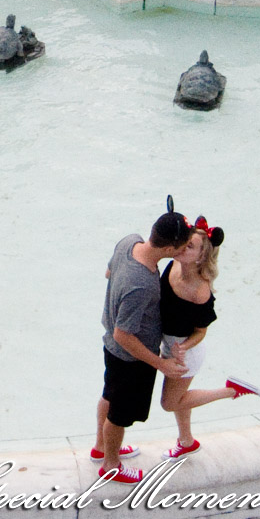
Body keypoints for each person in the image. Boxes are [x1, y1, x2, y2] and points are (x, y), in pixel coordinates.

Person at [92, 197, 195, 485]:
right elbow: (123, 334)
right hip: (130, 357)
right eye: (183, 246)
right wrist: (160, 363)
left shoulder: (129, 242)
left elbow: (109, 272)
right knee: (120, 415)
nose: (185, 250)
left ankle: (101, 447)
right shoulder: (144, 283)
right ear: (169, 249)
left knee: (108, 395)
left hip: (111, 350)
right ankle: (111, 465)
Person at [158, 215, 260, 459]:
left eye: (190, 247)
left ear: (201, 257)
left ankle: (230, 391)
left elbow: (201, 332)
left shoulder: (200, 292)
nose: (183, 247)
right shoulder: (173, 265)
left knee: (170, 403)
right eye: (184, 242)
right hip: (168, 344)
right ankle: (186, 442)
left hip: (186, 352)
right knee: (181, 398)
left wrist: (182, 347)